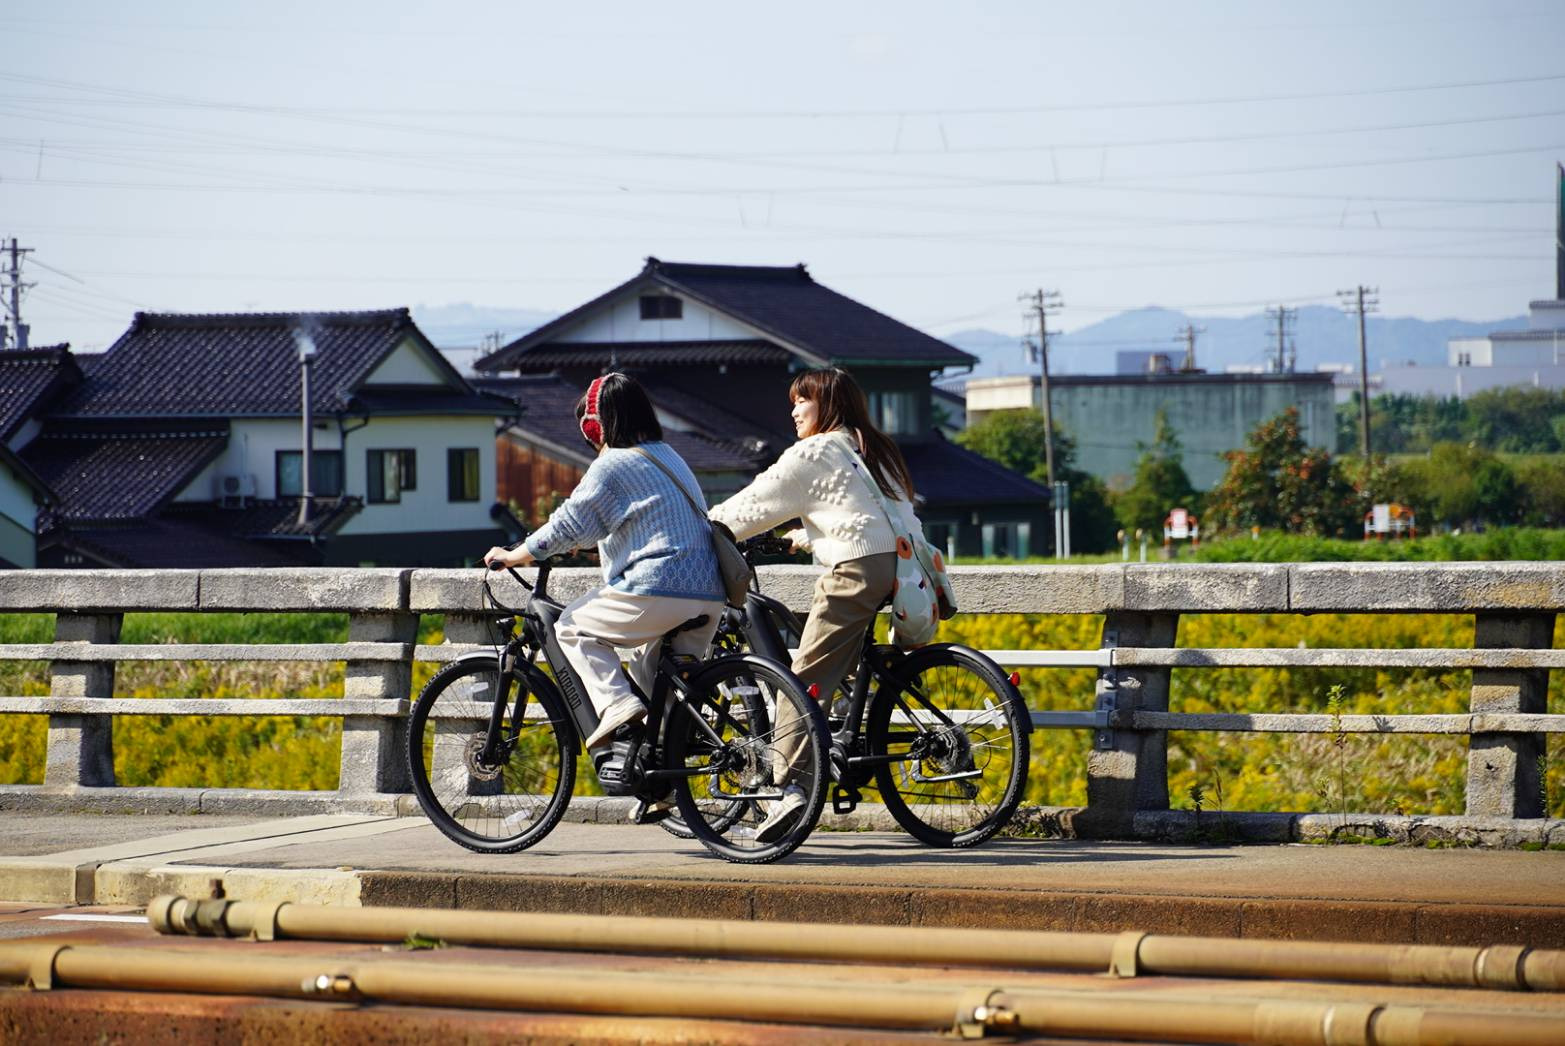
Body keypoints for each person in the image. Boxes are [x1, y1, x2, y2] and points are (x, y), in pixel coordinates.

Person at [708, 367, 925, 841]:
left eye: (801, 401)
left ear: (824, 404)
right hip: (903, 567)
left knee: (801, 678)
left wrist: (701, 527)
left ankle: (786, 789)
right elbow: (859, 514)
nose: (793, 410)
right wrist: (802, 539)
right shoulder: (870, 445)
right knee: (831, 672)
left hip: (857, 570)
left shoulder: (815, 451)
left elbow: (750, 506)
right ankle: (833, 749)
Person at [484, 372, 726, 759]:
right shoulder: (668, 455)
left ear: (597, 424)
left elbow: (567, 524)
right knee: (650, 676)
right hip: (709, 594)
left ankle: (615, 705)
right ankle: (659, 781)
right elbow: (643, 520)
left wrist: (514, 555)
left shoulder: (614, 463)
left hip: (661, 586)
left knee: (573, 628)